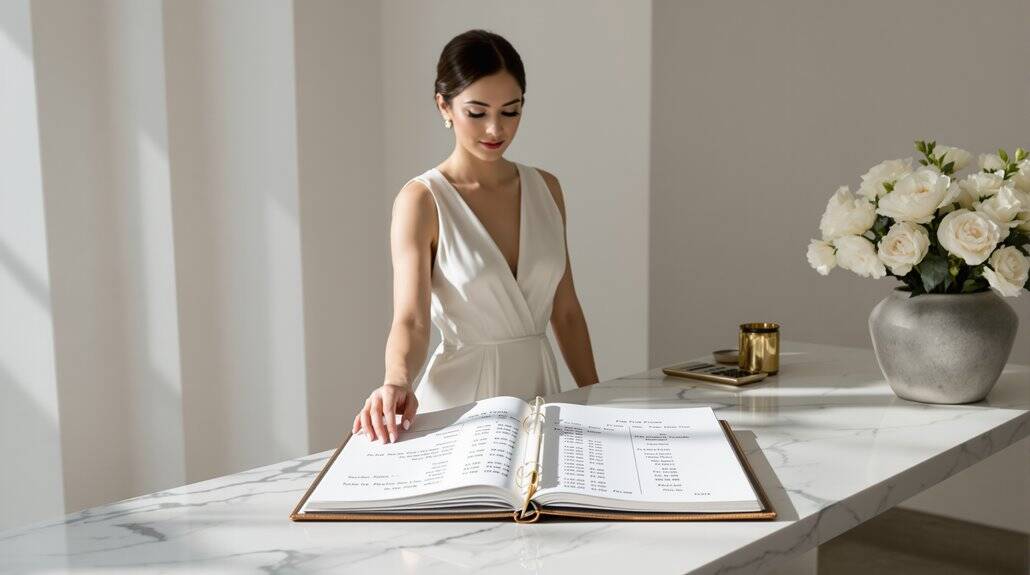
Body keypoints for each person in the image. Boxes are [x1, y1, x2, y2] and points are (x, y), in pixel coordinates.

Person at [352, 29, 599, 444]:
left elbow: (567, 310)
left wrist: (596, 398)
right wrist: (395, 380)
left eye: (510, 111)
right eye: (477, 111)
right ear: (444, 106)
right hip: (460, 402)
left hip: (542, 385)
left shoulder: (547, 189)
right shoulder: (422, 200)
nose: (494, 129)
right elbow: (411, 320)